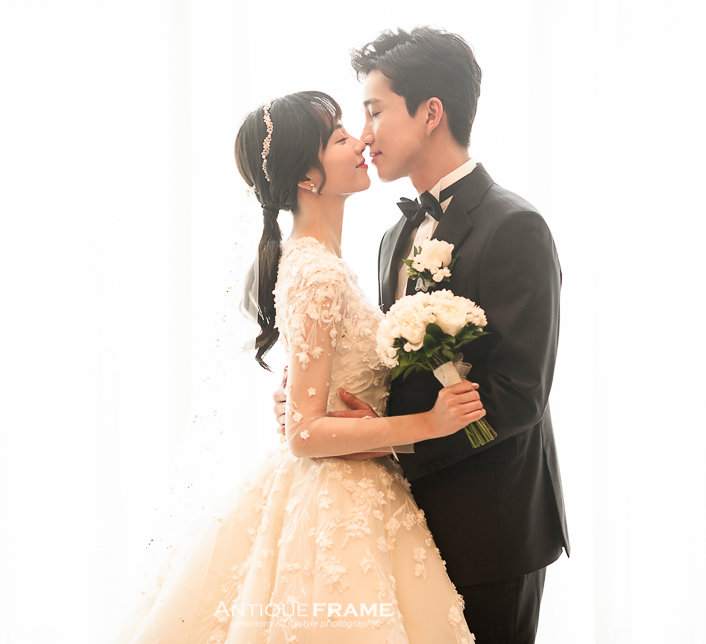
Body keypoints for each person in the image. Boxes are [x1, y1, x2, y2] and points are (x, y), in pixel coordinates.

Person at [109, 91, 485, 644]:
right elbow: (304, 434)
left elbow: (309, 407)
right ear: (308, 177)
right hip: (339, 495)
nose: (360, 142)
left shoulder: (325, 261)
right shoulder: (315, 272)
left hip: (361, 480)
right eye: (340, 138)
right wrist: (428, 423)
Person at [273, 28, 569, 644]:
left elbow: (520, 394)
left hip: (492, 531)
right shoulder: (392, 238)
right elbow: (392, 364)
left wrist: (400, 443)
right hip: (400, 531)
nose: (364, 134)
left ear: (431, 113)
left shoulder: (515, 227)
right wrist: (317, 402)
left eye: (374, 111)